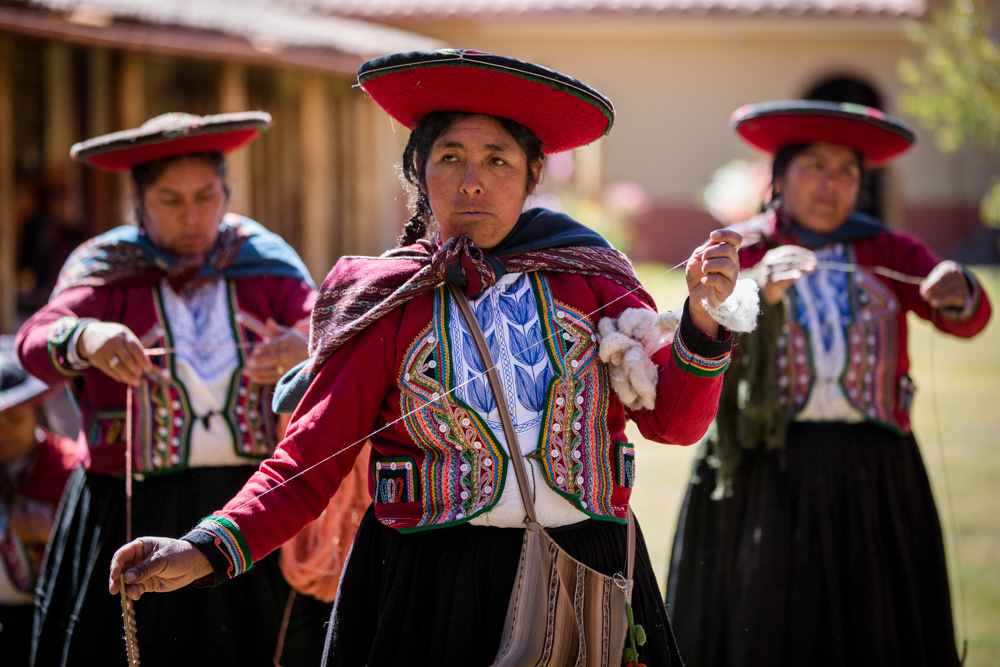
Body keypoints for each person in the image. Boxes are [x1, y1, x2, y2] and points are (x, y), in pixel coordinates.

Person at [110, 50, 751, 666]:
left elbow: (677, 424)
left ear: (532, 175)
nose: (472, 179)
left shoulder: (592, 278)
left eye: (498, 158)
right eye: (451, 156)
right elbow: (309, 458)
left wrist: (700, 320)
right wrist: (202, 549)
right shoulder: (385, 299)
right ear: (421, 173)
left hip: (588, 570)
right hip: (431, 591)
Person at [665, 100, 992, 667]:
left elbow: (964, 314)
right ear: (779, 178)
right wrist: (757, 290)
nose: (830, 183)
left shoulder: (887, 248)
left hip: (875, 470)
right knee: (767, 618)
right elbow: (702, 328)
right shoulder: (742, 248)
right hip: (769, 467)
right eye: (813, 166)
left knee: (874, 620)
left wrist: (956, 286)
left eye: (846, 171)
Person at [15, 111, 331, 666]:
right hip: (129, 508)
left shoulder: (264, 264)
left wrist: (303, 343)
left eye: (207, 196)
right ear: (137, 202)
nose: (193, 216)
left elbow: (332, 325)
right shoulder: (106, 270)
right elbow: (35, 342)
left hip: (247, 506)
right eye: (171, 200)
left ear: (225, 192)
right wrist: (88, 337)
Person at [0, 337, 77, 667]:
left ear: (36, 412)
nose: (2, 433)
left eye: (13, 419)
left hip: (52, 616)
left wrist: (58, 533)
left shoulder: (71, 469)